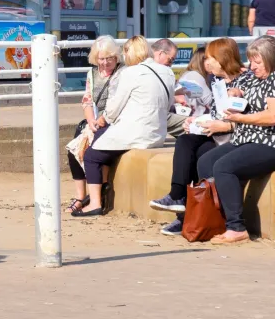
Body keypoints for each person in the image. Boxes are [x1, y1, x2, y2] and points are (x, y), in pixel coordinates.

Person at [197, 35, 275, 244]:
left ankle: (236, 227)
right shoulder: (254, 77)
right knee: (206, 162)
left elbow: (274, 116)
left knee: (224, 167)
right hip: (251, 137)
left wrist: (240, 118)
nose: (252, 65)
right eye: (251, 60)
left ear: (270, 59)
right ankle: (214, 219)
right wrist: (233, 91)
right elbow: (238, 86)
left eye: (257, 61)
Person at [149, 38, 255, 235]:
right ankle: (178, 198)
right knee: (185, 141)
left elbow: (250, 119)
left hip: (235, 138)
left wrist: (222, 125)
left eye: (209, 58)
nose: (206, 63)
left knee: (202, 156)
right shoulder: (217, 80)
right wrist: (196, 120)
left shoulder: (247, 80)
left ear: (222, 58)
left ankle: (191, 216)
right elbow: (215, 112)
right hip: (217, 134)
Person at [72, 36, 175, 217]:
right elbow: (169, 105)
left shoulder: (130, 73)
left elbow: (112, 110)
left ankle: (95, 203)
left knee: (91, 155)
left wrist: (103, 120)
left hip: (136, 133)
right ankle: (96, 193)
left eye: (125, 52)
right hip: (158, 133)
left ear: (130, 52)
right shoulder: (167, 72)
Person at [66, 35, 123, 215]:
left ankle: (96, 195)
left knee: (91, 149)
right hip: (97, 119)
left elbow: (120, 103)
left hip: (115, 120)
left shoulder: (123, 73)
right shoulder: (92, 73)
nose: (105, 62)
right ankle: (80, 196)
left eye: (109, 58)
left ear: (116, 57)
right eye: (101, 58)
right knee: (74, 145)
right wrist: (90, 120)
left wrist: (102, 120)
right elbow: (87, 100)